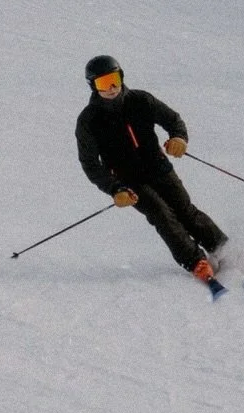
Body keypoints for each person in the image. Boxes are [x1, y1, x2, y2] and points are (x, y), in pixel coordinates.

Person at [75, 54, 227, 283]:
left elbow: (173, 120)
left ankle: (224, 250)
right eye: (104, 83)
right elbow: (90, 164)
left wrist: (178, 139)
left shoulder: (141, 101)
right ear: (93, 87)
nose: (112, 87)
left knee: (185, 211)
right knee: (162, 216)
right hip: (129, 182)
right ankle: (196, 261)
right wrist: (115, 189)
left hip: (159, 168)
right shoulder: (89, 120)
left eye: (115, 79)